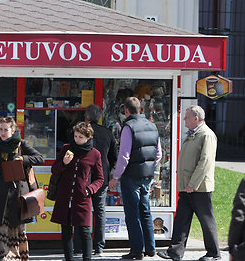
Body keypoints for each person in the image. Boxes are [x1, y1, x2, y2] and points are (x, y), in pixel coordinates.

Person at [157, 105, 220, 261]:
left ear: (196, 118)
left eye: (187, 116)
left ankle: (214, 253)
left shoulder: (206, 135)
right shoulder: (192, 134)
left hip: (199, 187)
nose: (184, 119)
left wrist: (193, 184)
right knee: (181, 219)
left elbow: (205, 162)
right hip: (187, 186)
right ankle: (175, 252)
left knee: (206, 220)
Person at [0, 116, 44, 261]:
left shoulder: (21, 144)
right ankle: (1, 257)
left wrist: (24, 159)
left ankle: (16, 256)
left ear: (13, 130)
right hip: (1, 192)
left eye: (6, 129)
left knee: (16, 228)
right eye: (0, 129)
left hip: (17, 192)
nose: (2, 132)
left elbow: (40, 158)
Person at [108, 97, 161, 260]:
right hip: (147, 176)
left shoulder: (128, 127)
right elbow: (158, 154)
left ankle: (137, 250)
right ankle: (151, 248)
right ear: (140, 109)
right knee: (145, 211)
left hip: (131, 176)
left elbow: (124, 156)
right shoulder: (152, 126)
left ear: (126, 111)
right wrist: (149, 166)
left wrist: (115, 176)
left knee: (132, 213)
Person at [51, 122, 104, 261]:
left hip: (82, 196)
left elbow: (100, 178)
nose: (77, 139)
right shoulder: (66, 149)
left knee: (85, 231)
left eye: (80, 137)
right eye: (75, 136)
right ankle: (69, 258)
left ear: (88, 137)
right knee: (66, 230)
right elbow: (54, 169)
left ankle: (87, 258)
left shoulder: (95, 154)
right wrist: (64, 163)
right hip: (65, 195)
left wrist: (89, 190)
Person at [74, 104, 118, 256]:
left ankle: (79, 246)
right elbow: (114, 156)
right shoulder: (107, 133)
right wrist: (108, 168)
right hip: (101, 177)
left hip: (83, 176)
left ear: (86, 116)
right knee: (100, 211)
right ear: (100, 116)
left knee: (80, 210)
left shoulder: (79, 133)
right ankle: (99, 246)